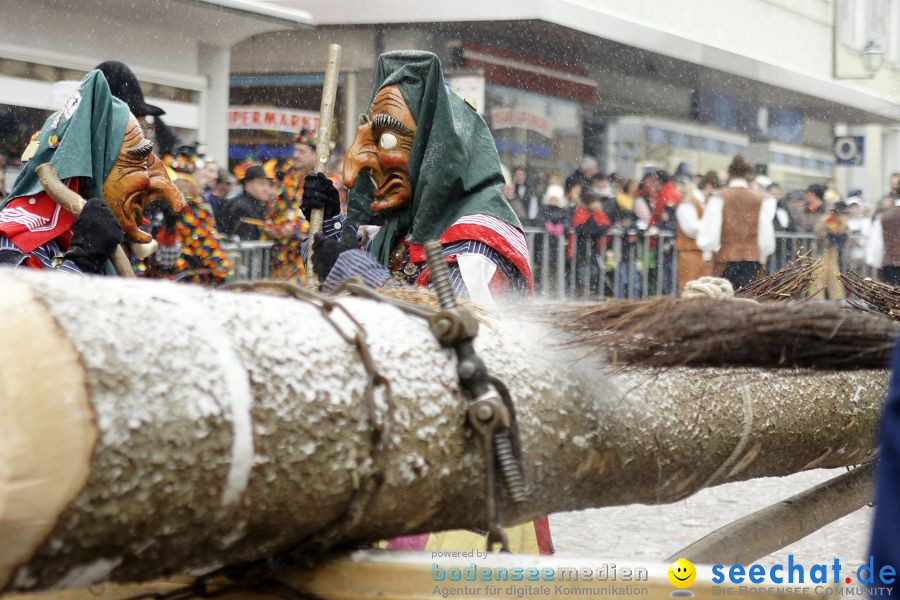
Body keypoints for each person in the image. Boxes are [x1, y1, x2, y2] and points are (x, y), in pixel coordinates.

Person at [299, 50, 548, 554]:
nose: (355, 166)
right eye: (367, 134)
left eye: (387, 139)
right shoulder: (400, 232)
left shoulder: (481, 240)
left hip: (462, 480)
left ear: (437, 151)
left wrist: (349, 267)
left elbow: (448, 347)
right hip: (403, 461)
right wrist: (328, 229)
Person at [0, 70, 180, 274]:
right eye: (135, 160)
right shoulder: (10, 241)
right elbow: (19, 303)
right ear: (94, 166)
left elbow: (164, 265)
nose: (150, 181)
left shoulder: (107, 228)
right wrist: (83, 261)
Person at [696, 155, 776, 291]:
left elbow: (710, 230)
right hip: (752, 259)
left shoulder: (719, 197)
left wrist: (707, 253)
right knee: (748, 299)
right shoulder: (760, 199)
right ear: (747, 175)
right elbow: (765, 233)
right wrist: (763, 255)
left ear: (728, 174)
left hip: (725, 259)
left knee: (725, 299)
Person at [675, 170, 718, 294]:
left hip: (705, 255)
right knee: (690, 292)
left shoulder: (705, 204)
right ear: (709, 187)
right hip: (690, 254)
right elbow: (691, 230)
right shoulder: (688, 203)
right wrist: (714, 225)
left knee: (707, 295)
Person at [570, 189, 611, 297]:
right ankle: (583, 294)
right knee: (583, 273)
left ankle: (590, 293)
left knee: (593, 272)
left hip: (592, 249)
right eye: (594, 201)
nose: (597, 204)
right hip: (581, 249)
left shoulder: (597, 213)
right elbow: (584, 230)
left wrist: (598, 230)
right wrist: (599, 230)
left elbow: (603, 226)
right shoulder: (581, 213)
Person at [866, 196, 900, 286]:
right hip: (891, 260)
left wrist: (876, 262)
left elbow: (877, 243)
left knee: (893, 293)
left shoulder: (884, 217)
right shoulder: (883, 217)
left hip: (890, 261)